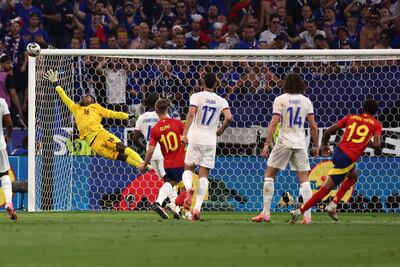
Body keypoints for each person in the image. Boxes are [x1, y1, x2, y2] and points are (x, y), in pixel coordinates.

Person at [290, 99, 382, 223]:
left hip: (338, 152)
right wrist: (366, 143)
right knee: (325, 190)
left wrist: (325, 145)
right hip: (348, 158)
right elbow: (376, 144)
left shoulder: (351, 117)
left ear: (363, 108)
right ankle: (299, 211)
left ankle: (333, 205)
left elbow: (328, 131)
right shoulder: (375, 124)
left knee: (353, 177)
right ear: (376, 112)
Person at [44, 70, 148, 170]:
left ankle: (143, 163)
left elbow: (113, 114)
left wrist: (128, 116)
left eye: (88, 96)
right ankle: (145, 167)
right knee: (121, 157)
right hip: (93, 144)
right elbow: (64, 97)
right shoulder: (76, 108)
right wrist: (56, 83)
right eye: (85, 95)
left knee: (121, 147)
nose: (85, 96)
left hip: (100, 134)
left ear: (93, 100)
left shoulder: (96, 107)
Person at [251, 73, 319, 224]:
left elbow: (274, 122)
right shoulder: (306, 101)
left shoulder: (280, 99)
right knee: (304, 180)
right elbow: (313, 126)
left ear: (286, 84)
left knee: (269, 175)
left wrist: (267, 143)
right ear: (301, 85)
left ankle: (266, 213)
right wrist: (316, 145)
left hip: (284, 142)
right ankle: (307, 217)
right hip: (300, 143)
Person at [181, 72, 233, 221]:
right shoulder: (221, 100)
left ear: (203, 83)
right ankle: (197, 208)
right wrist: (220, 131)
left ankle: (189, 187)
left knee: (188, 168)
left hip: (195, 137)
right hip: (210, 140)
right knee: (204, 175)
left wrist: (184, 134)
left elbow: (191, 114)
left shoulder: (196, 96)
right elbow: (229, 117)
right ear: (216, 84)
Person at [139, 98, 184, 220]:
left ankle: (174, 208)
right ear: (167, 108)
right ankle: (171, 206)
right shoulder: (176, 123)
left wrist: (144, 164)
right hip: (173, 158)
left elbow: (139, 141)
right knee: (176, 184)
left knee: (168, 182)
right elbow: (186, 138)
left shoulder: (154, 127)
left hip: (158, 158)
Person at [133, 93, 165, 180]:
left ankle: (164, 194)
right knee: (168, 180)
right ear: (157, 102)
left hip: (150, 153)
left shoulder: (141, 117)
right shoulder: (162, 116)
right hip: (162, 151)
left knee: (162, 180)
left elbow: (135, 139)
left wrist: (146, 147)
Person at [0, 96, 17, 220]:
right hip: (0, 145)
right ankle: (9, 203)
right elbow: (9, 124)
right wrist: (8, 136)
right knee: (4, 174)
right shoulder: (1, 102)